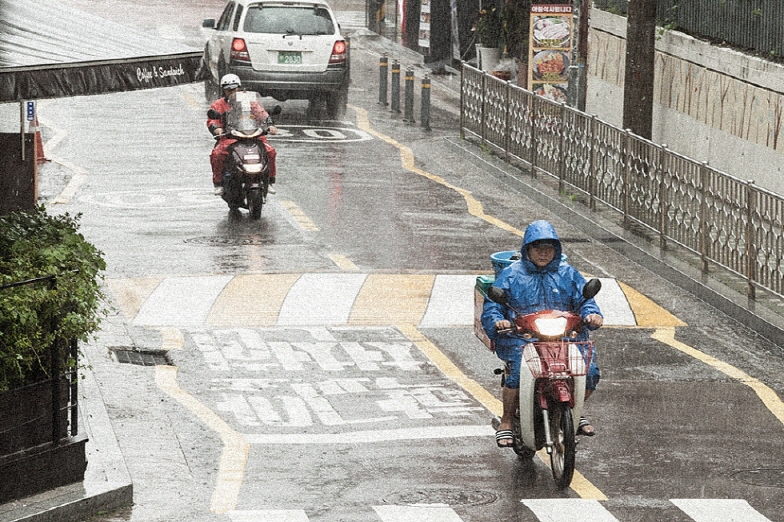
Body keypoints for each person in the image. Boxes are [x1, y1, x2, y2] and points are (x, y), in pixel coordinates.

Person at [481, 220, 603, 448]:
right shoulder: (511, 275)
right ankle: (506, 420)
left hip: (565, 337)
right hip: (522, 339)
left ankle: (575, 411)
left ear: (556, 250)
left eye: (549, 248)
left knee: (590, 372)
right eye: (538, 248)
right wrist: (498, 321)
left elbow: (585, 300)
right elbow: (493, 306)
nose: (544, 253)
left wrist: (592, 315)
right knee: (517, 372)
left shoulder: (569, 273)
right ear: (527, 248)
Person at [207, 74, 278, 196]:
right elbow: (212, 120)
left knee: (270, 151)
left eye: (234, 89)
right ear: (224, 90)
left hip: (253, 135)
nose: (232, 91)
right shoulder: (218, 105)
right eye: (229, 89)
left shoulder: (249, 102)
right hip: (230, 137)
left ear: (238, 88)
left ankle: (270, 180)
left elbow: (261, 112)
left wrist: (269, 124)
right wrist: (217, 129)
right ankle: (218, 183)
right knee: (217, 154)